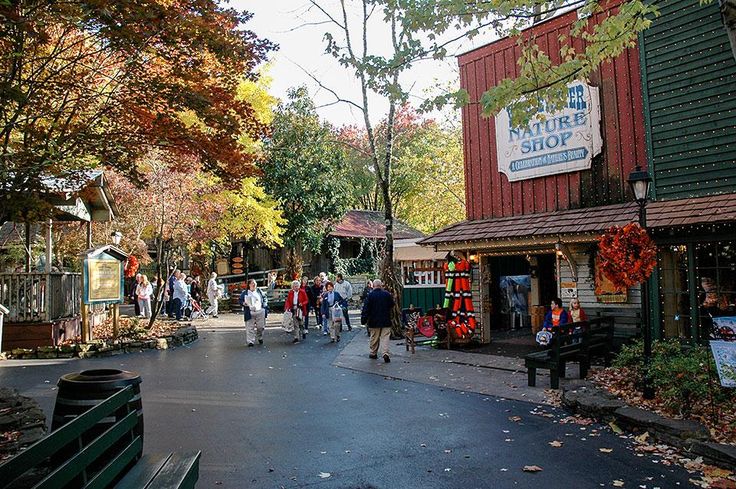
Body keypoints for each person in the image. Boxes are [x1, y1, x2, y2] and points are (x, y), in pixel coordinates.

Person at [361, 279, 394, 363]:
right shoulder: (387, 294)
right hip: (386, 320)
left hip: (374, 321)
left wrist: (363, 320)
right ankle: (385, 353)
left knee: (374, 338)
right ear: (381, 285)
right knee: (385, 338)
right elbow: (392, 305)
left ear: (373, 286)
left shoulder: (370, 295)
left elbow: (366, 309)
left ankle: (373, 353)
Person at [240, 279, 267, 347]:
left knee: (261, 327)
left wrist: (264, 306)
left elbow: (264, 298)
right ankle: (250, 341)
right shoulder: (245, 293)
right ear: (249, 285)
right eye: (252, 283)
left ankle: (260, 337)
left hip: (260, 311)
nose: (254, 285)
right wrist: (243, 303)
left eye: (255, 283)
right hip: (250, 312)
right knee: (250, 327)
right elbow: (240, 300)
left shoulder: (259, 291)